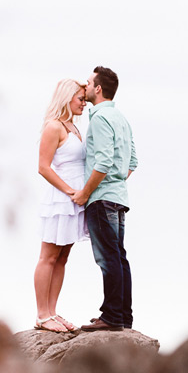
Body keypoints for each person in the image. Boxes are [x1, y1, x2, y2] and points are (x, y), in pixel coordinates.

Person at [70, 66, 138, 332]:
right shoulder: (121, 118)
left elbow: (104, 161)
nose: (84, 87)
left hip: (101, 198)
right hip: (118, 197)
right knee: (119, 257)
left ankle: (111, 316)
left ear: (98, 89)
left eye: (88, 83)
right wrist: (116, 181)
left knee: (108, 258)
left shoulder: (98, 119)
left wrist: (87, 192)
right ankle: (123, 316)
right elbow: (131, 161)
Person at [33, 78, 89, 333]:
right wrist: (69, 191)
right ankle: (42, 315)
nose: (84, 104)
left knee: (63, 257)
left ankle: (53, 311)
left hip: (76, 200)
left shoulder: (74, 128)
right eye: (81, 99)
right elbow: (43, 167)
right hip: (60, 199)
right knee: (49, 256)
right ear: (68, 98)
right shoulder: (53, 127)